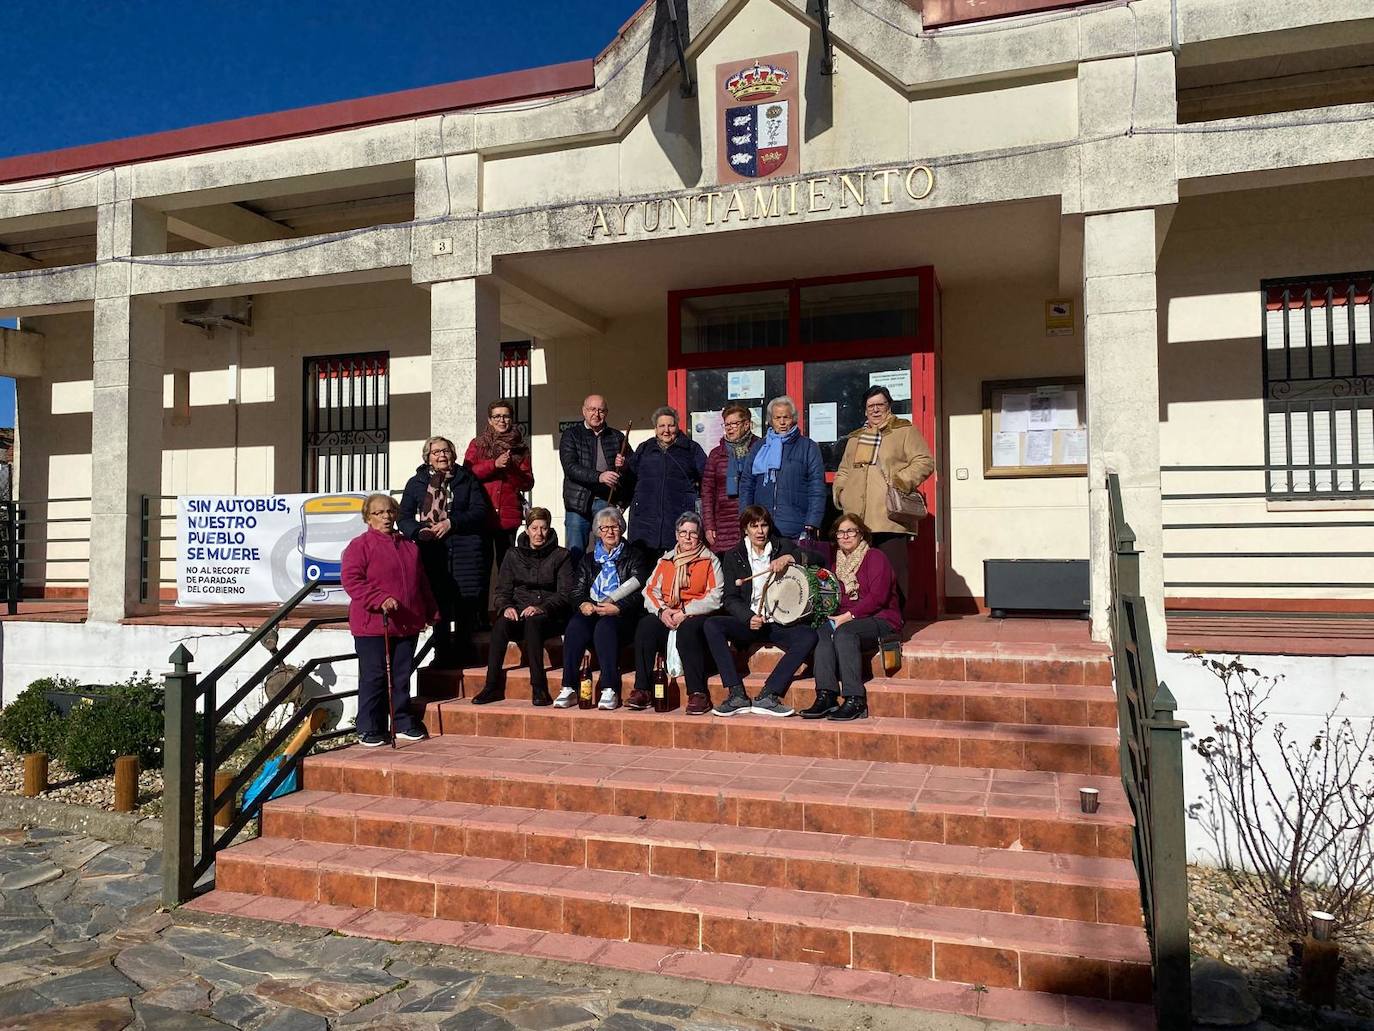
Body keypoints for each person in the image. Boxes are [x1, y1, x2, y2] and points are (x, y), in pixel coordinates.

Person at [341, 494, 438, 746]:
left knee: (401, 675)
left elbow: (422, 582)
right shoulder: (358, 546)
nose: (385, 517)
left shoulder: (409, 546)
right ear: (367, 518)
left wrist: (431, 610)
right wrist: (379, 598)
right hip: (373, 625)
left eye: (389, 512)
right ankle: (369, 726)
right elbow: (352, 580)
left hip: (407, 623)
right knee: (374, 676)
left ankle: (402, 721)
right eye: (378, 513)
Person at [704, 506, 819, 718]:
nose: (760, 531)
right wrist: (748, 617)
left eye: (764, 525)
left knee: (809, 636)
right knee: (712, 625)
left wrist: (790, 558)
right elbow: (730, 598)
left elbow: (818, 559)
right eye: (754, 526)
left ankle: (769, 694)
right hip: (750, 623)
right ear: (745, 529)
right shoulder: (733, 556)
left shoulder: (781, 546)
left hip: (779, 623)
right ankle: (736, 693)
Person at [832, 385, 935, 608]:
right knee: (861, 572)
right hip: (858, 518)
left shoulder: (904, 431)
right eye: (871, 406)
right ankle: (866, 617)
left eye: (880, 405)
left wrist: (900, 481)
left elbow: (925, 461)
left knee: (893, 572)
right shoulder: (855, 438)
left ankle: (894, 621)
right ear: (864, 410)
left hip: (889, 517)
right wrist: (841, 492)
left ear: (889, 406)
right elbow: (844, 470)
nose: (875, 410)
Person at [399, 436, 489, 668]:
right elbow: (404, 517)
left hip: (465, 552)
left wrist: (452, 523)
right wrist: (419, 533)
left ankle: (464, 656)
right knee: (438, 606)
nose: (442, 455)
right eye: (436, 452)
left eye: (446, 451)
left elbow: (480, 512)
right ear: (427, 457)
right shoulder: (416, 483)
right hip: (433, 552)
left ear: (453, 454)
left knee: (465, 608)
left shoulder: (467, 479)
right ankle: (441, 657)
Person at [802, 513, 902, 722]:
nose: (845, 536)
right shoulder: (836, 564)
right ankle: (826, 694)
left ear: (861, 533)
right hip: (848, 618)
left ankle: (855, 699)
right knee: (822, 630)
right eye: (840, 532)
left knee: (845, 633)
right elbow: (834, 597)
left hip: (881, 618)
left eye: (851, 531)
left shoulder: (875, 557)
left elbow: (878, 596)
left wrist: (848, 616)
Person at [473, 508, 573, 707]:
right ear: (526, 530)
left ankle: (538, 687)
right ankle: (491, 685)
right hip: (519, 611)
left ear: (549, 529)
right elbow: (502, 591)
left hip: (549, 615)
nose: (539, 533)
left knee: (533, 623)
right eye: (534, 528)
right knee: (501, 625)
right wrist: (506, 607)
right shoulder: (513, 555)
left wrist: (542, 607)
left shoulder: (561, 555)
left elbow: (565, 594)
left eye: (543, 528)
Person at [557, 505, 654, 710]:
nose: (609, 532)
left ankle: (610, 688)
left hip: (622, 616)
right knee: (575, 627)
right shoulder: (588, 559)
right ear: (597, 532)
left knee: (605, 627)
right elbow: (576, 591)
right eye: (604, 528)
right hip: (593, 610)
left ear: (622, 528)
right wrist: (583, 603)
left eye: (614, 527)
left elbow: (642, 592)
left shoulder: (634, 556)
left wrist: (618, 608)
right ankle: (569, 687)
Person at [632, 512, 722, 714]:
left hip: (695, 615)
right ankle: (642, 690)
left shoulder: (710, 560)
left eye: (693, 533)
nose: (688, 537)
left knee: (688, 630)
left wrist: (685, 611)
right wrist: (662, 611)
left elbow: (715, 596)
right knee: (646, 626)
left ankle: (697, 693)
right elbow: (649, 590)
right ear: (676, 535)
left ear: (700, 536)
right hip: (669, 613)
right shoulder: (666, 560)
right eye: (683, 533)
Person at [739, 395, 826, 540]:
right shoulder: (759, 447)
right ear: (770, 420)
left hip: (796, 527)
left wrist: (813, 520)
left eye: (786, 417)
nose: (782, 422)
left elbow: (816, 486)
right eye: (777, 418)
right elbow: (747, 484)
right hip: (762, 527)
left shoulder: (808, 447)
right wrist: (745, 517)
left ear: (793, 418)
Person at [464, 399, 534, 575]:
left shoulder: (520, 448)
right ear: (489, 420)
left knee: (507, 569)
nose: (502, 420)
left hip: (508, 517)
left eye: (506, 416)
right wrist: (494, 465)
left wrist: (510, 469)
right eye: (497, 417)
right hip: (482, 514)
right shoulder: (478, 444)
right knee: (481, 568)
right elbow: (467, 474)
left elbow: (527, 482)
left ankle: (505, 603)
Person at [626, 406, 707, 553]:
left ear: (677, 426)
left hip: (677, 518)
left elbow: (706, 480)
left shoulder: (690, 449)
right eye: (661, 426)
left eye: (671, 425)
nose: (666, 430)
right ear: (655, 429)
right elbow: (629, 480)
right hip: (645, 521)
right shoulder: (645, 449)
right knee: (645, 568)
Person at [559, 394, 629, 560]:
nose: (596, 414)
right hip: (577, 503)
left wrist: (624, 465)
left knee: (607, 551)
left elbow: (631, 473)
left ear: (606, 413)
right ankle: (577, 586)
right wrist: (600, 477)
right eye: (592, 409)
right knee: (575, 553)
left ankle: (604, 585)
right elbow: (570, 467)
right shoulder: (571, 435)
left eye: (601, 410)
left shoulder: (617, 437)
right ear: (584, 411)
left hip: (606, 500)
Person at [701, 403, 757, 554]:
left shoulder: (759, 448)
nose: (729, 428)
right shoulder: (716, 454)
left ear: (746, 424)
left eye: (734, 423)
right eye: (726, 424)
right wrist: (709, 525)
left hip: (754, 522)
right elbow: (707, 493)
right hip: (724, 525)